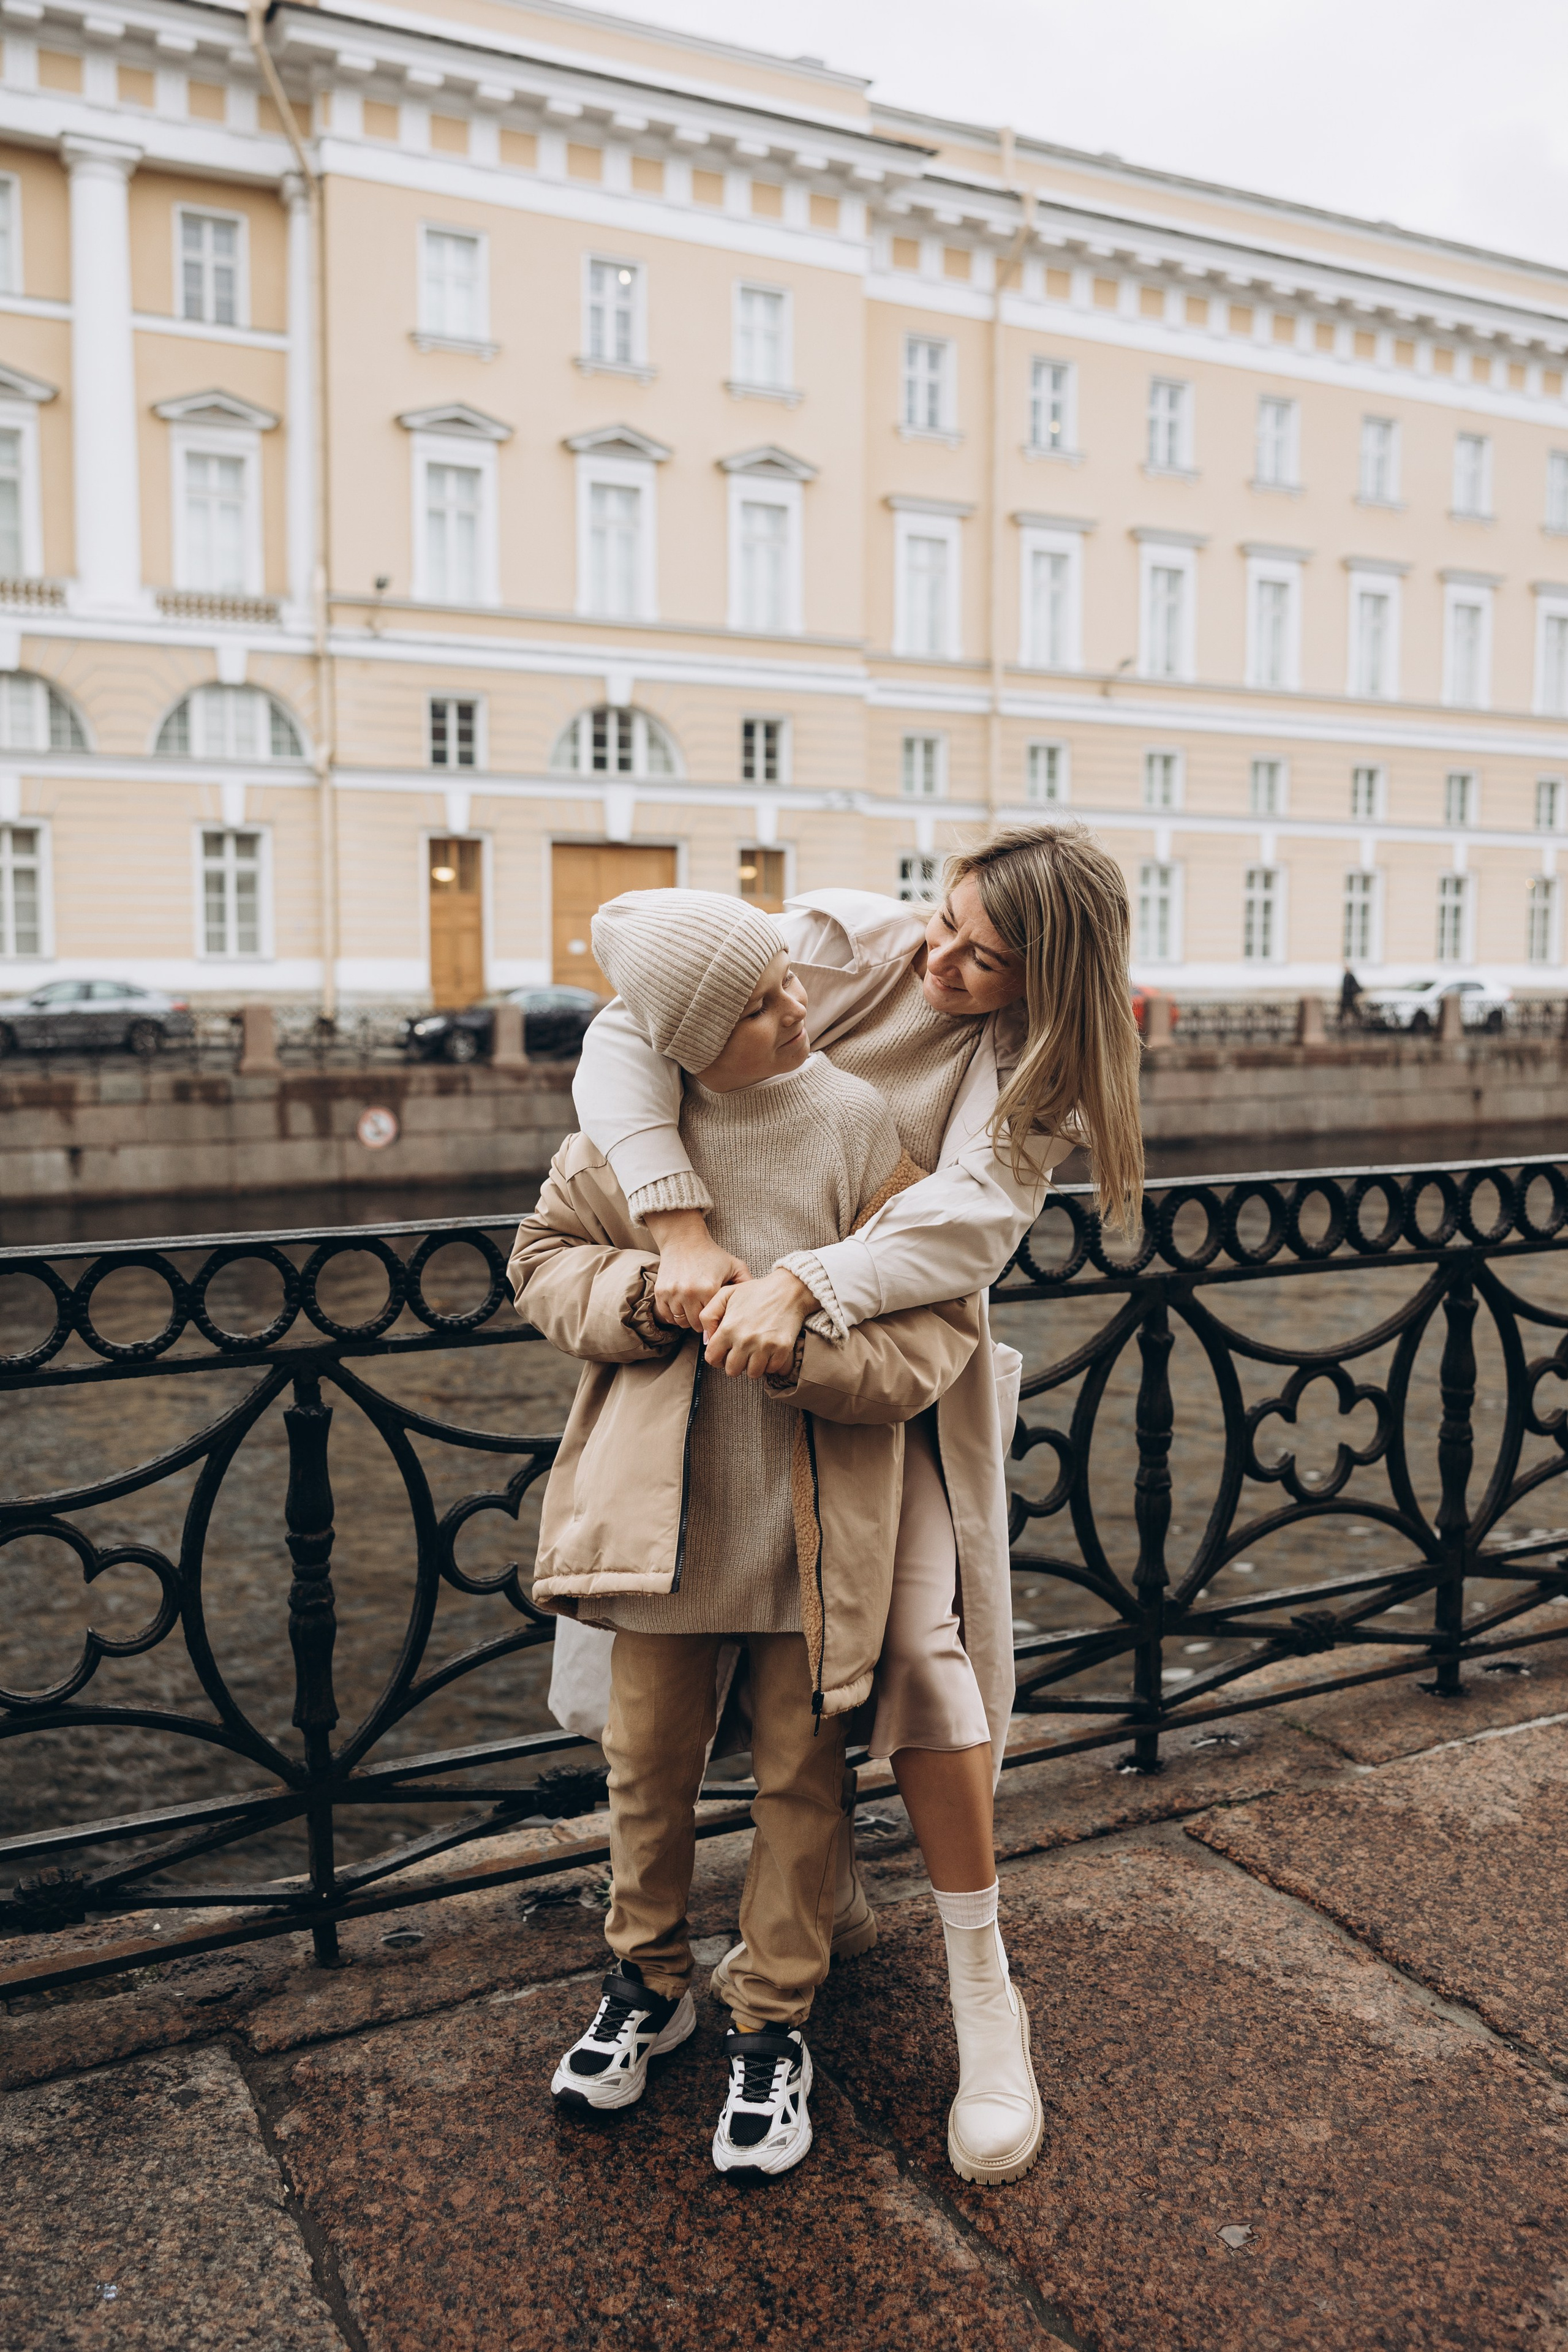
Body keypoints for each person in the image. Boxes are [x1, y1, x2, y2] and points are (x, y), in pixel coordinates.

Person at [564, 822, 1145, 2187]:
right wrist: (679, 1228)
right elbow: (623, 1031)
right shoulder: (834, 937)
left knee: (918, 1657)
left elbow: (965, 1221)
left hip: (879, 1357)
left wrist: (810, 1286)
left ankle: (983, 1998)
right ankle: (786, 1914)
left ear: (1046, 977)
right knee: (694, 1676)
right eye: (943, 921)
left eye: (982, 957)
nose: (938, 959)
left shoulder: (1036, 1069)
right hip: (715, 1334)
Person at [508, 888, 978, 2179]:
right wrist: (645, 1294)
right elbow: (540, 1262)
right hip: (661, 1546)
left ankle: (772, 2020)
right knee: (643, 1773)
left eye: (786, 984)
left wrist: (807, 1357)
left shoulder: (852, 1122)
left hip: (813, 1544)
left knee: (801, 1787)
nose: (797, 1009)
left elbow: (936, 1330)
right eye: (760, 1004)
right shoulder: (628, 1143)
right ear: (686, 1035)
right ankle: (644, 1983)